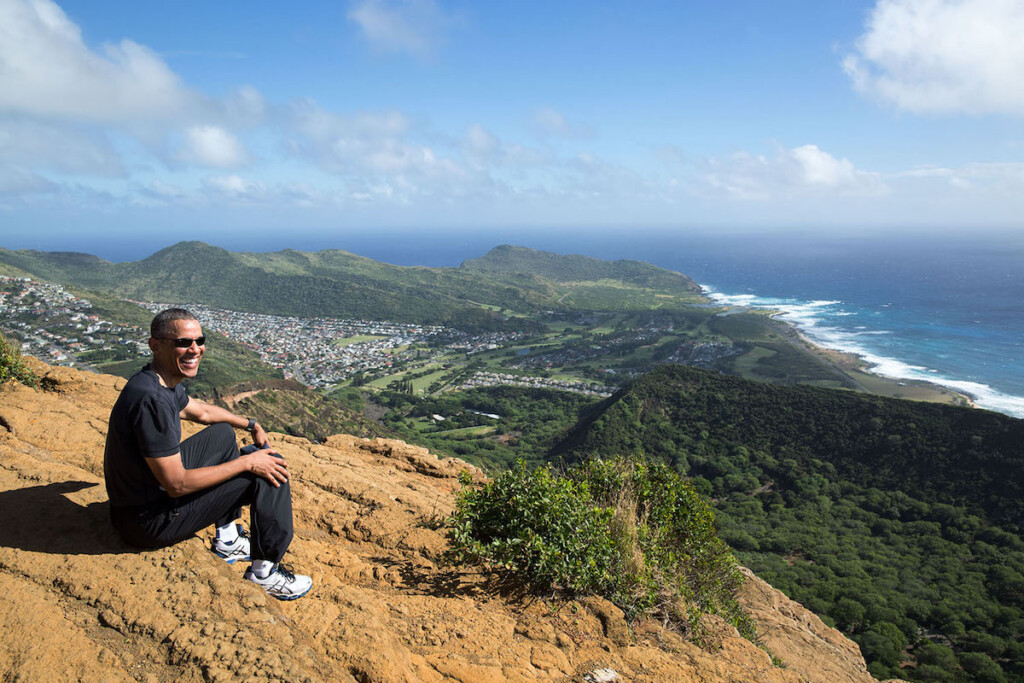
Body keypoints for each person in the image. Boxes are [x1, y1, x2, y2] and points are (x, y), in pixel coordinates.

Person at [103, 308, 312, 600]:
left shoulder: (157, 381)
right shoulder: (152, 401)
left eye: (199, 340)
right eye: (183, 342)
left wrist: (250, 424)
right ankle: (264, 573)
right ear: (156, 345)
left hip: (140, 501)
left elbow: (200, 411)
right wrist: (247, 462)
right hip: (147, 522)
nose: (195, 349)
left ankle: (227, 538)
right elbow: (177, 485)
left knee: (223, 433)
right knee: (268, 470)